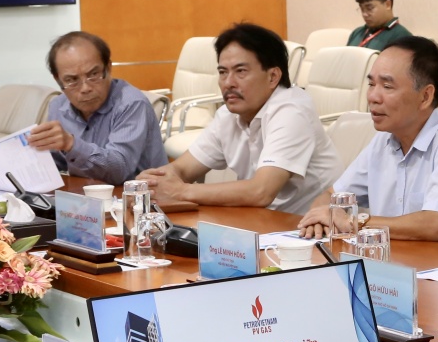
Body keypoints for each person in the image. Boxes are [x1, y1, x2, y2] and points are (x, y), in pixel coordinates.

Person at [298, 37, 438, 244]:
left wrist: (353, 222)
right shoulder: (383, 140)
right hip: (390, 258)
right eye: (371, 84)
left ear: (425, 96)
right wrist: (319, 219)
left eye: (387, 86)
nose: (373, 97)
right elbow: (330, 196)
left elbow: (436, 225)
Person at [137, 23, 341, 211]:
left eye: (240, 71)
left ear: (273, 77)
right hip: (258, 221)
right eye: (223, 72)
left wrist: (181, 191)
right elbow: (182, 169)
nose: (228, 83)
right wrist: (152, 182)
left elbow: (261, 191)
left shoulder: (292, 111)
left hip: (307, 227)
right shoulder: (227, 115)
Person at [26, 31, 166, 185]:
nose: (85, 88)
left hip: (135, 195)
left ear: (108, 68)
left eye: (93, 74)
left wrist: (71, 145)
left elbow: (120, 171)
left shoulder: (132, 104)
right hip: (84, 194)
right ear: (58, 79)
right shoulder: (58, 105)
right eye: (72, 80)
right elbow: (56, 163)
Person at [347, 0, 411, 51]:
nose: (364, 14)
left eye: (369, 8)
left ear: (387, 5)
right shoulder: (357, 33)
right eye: (362, 9)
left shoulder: (403, 37)